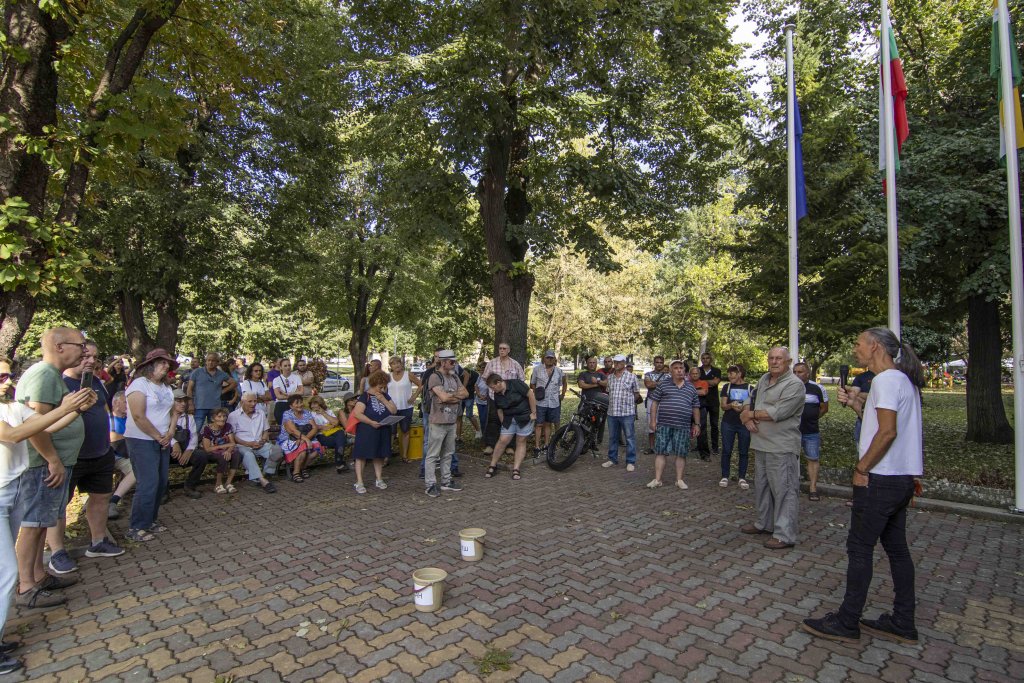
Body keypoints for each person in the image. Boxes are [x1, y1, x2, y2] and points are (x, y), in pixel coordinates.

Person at [803, 328, 925, 645]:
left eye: (858, 343)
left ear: (874, 347)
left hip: (879, 479)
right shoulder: (903, 381)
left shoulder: (884, 381)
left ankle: (847, 620)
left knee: (859, 549)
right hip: (901, 479)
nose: (855, 349)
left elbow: (887, 433)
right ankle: (903, 621)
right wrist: (858, 406)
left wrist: (861, 468)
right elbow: (882, 425)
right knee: (898, 551)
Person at [0, 357, 93, 674]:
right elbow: (13, 436)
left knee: (4, 570)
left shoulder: (11, 407)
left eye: (7, 374)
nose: (5, 381)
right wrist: (64, 406)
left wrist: (73, 408)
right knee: (7, 571)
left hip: (10, 491)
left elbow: (46, 425)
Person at [14, 327, 93, 609]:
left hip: (50, 463)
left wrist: (77, 409)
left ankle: (37, 575)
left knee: (42, 522)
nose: (85, 352)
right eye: (81, 345)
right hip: (42, 466)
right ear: (60, 346)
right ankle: (26, 586)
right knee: (34, 525)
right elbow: (34, 426)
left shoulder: (51, 376)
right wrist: (53, 459)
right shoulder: (44, 375)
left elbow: (48, 421)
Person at [48, 341, 124, 576]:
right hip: (71, 456)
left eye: (95, 357)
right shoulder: (59, 383)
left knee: (101, 497)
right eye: (85, 356)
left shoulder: (97, 382)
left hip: (100, 452)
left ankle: (98, 541)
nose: (91, 361)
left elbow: (103, 411)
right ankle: (57, 552)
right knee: (59, 505)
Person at [739, 347, 805, 550]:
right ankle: (764, 524)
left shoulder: (795, 385)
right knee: (762, 487)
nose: (774, 361)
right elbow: (749, 402)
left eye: (779, 359)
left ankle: (784, 534)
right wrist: (746, 417)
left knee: (784, 490)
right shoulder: (763, 379)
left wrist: (751, 415)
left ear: (788, 361)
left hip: (781, 446)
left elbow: (779, 412)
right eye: (771, 358)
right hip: (760, 443)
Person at [124, 348, 178, 543]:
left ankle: (150, 520)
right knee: (148, 482)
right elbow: (138, 415)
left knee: (161, 481)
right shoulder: (139, 384)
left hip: (162, 439)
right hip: (142, 439)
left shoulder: (166, 388)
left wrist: (170, 433)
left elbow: (173, 412)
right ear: (150, 365)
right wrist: (157, 436)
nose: (166, 367)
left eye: (168, 364)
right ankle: (136, 525)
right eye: (162, 363)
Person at [646, 360, 701, 490]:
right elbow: (654, 403)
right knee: (660, 452)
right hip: (664, 424)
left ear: (684, 370)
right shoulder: (663, 385)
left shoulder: (691, 387)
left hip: (683, 426)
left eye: (681, 368)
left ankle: (679, 480)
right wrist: (653, 421)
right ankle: (657, 479)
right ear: (671, 371)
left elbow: (696, 407)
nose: (679, 370)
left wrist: (697, 424)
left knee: (681, 453)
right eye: (676, 368)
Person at [424, 351, 467, 497]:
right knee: (433, 454)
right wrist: (454, 396)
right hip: (438, 421)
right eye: (452, 362)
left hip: (451, 421)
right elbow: (443, 397)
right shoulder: (434, 377)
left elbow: (465, 394)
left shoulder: (455, 377)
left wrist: (451, 397)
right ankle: (430, 484)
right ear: (443, 362)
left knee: (448, 453)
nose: (454, 364)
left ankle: (446, 481)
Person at [351, 370, 398, 494]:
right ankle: (359, 482)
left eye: (384, 386)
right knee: (361, 456)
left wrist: (383, 399)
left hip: (383, 429)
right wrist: (371, 422)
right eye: (380, 386)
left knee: (379, 454)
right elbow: (357, 413)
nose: (382, 389)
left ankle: (379, 478)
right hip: (367, 430)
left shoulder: (385, 395)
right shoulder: (364, 396)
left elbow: (393, 411)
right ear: (373, 383)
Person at [483, 373, 535, 481]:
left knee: (521, 441)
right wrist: (503, 422)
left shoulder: (516, 384)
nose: (492, 390)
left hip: (524, 417)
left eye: (493, 387)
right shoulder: (497, 393)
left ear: (498, 382)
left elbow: (530, 394)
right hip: (509, 419)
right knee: (502, 440)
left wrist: (534, 413)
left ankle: (516, 469)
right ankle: (493, 465)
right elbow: (499, 409)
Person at [229, 393, 280, 491]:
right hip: (242, 445)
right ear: (242, 402)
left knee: (277, 450)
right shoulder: (233, 416)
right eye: (250, 401)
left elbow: (266, 431)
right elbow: (233, 436)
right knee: (248, 454)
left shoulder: (260, 413)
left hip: (259, 444)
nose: (253, 404)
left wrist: (263, 441)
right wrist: (248, 444)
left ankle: (265, 473)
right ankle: (263, 481)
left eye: (255, 401)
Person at [794, 362, 829, 501]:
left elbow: (824, 408)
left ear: (807, 373)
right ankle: (790, 487)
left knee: (813, 458)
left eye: (800, 372)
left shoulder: (817, 388)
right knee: (789, 459)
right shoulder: (789, 387)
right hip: (792, 432)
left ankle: (813, 488)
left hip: (811, 431)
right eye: (795, 372)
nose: (797, 374)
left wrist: (813, 417)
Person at [481, 343, 525, 455]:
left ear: (509, 350)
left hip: (510, 399)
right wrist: (492, 389)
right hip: (494, 397)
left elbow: (521, 380)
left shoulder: (515, 364)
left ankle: (510, 446)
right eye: (500, 348)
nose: (502, 350)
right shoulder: (491, 363)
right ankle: (490, 445)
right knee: (493, 420)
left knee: (511, 420)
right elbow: (485, 378)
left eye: (504, 348)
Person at [602, 355, 642, 471]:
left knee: (629, 437)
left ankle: (630, 461)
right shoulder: (610, 378)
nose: (616, 364)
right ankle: (612, 459)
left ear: (624, 363)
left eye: (619, 362)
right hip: (612, 412)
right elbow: (609, 392)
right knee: (613, 437)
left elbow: (636, 393)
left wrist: (629, 404)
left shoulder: (632, 377)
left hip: (627, 413)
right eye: (615, 362)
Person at [167, 390, 209, 499]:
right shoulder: (164, 416)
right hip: (169, 452)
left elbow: (194, 436)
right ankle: (163, 491)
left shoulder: (189, 418)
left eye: (184, 401)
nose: (183, 404)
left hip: (185, 451)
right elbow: (162, 433)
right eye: (179, 401)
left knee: (201, 456)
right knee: (159, 459)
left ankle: (190, 486)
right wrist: (174, 443)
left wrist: (189, 450)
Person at [719, 364, 752, 489]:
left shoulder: (750, 388)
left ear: (740, 374)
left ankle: (742, 478)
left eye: (732, 373)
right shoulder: (727, 387)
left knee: (743, 451)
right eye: (728, 373)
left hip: (744, 424)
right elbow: (723, 406)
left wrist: (744, 408)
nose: (729, 375)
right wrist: (731, 405)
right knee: (727, 450)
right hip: (728, 423)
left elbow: (753, 406)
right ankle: (724, 476)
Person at [277, 394, 323, 483]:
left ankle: (303, 467)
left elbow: (314, 428)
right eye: (296, 403)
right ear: (291, 406)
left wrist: (306, 439)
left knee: (317, 448)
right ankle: (296, 473)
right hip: (289, 439)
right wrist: (305, 440)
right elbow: (293, 431)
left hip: (305, 437)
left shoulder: (307, 413)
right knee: (303, 447)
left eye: (301, 402)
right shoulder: (287, 414)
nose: (300, 405)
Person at [530, 350, 566, 457]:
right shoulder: (537, 369)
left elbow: (564, 383)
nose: (549, 359)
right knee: (539, 424)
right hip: (541, 402)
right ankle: (537, 447)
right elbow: (532, 384)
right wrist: (537, 392)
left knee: (548, 423)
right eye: (547, 357)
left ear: (554, 359)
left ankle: (546, 445)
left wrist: (563, 394)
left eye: (551, 358)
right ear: (544, 358)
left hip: (554, 402)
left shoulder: (559, 371)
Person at [187, 353, 236, 429]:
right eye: (208, 360)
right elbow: (189, 388)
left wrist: (223, 391)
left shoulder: (221, 374)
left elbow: (234, 383)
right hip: (199, 406)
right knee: (195, 429)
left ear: (217, 362)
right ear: (205, 361)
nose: (210, 362)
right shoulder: (197, 372)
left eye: (213, 361)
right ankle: (194, 441)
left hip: (215, 407)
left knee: (214, 430)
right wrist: (190, 404)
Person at [107, 391, 135, 519]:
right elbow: (110, 437)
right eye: (125, 402)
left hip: (124, 456)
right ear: (116, 403)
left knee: (136, 470)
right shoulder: (107, 418)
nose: (128, 405)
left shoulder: (130, 419)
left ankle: (113, 500)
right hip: (108, 456)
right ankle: (94, 503)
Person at [387, 357, 421, 462]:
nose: (396, 365)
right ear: (391, 366)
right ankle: (387, 456)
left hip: (406, 408)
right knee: (390, 433)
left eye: (398, 363)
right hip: (392, 409)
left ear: (402, 364)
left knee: (405, 431)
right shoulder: (388, 377)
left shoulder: (408, 374)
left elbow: (421, 385)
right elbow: (383, 390)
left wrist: (414, 396)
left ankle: (405, 456)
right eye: (393, 364)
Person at [200, 408, 240, 493]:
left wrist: (228, 450)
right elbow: (207, 449)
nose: (222, 418)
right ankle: (218, 484)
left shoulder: (228, 426)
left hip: (223, 450)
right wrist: (226, 446)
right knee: (222, 456)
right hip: (210, 453)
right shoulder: (206, 429)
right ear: (212, 418)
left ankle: (228, 483)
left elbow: (232, 443)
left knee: (236, 453)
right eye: (219, 416)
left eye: (224, 416)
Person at [308, 395, 349, 473]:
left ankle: (339, 463)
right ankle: (339, 463)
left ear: (321, 404)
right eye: (312, 404)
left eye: (315, 403)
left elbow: (336, 422)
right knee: (339, 442)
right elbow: (312, 427)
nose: (313, 406)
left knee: (340, 435)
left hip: (334, 431)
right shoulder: (311, 414)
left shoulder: (328, 411)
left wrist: (323, 413)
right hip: (321, 435)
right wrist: (324, 427)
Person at [642, 356, 669, 454]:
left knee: (665, 424)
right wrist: (663, 383)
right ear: (654, 363)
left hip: (665, 401)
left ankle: (664, 447)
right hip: (651, 400)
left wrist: (655, 383)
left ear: (663, 363)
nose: (659, 364)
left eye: (661, 362)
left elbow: (671, 387)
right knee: (651, 424)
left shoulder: (669, 375)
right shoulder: (648, 374)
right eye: (657, 362)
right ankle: (652, 447)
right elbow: (648, 385)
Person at [577, 356, 608, 442]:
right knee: (583, 420)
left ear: (596, 364)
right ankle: (580, 439)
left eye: (593, 362)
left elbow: (606, 384)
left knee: (598, 422)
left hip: (598, 403)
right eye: (590, 362)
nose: (592, 364)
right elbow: (581, 385)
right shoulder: (583, 374)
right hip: (586, 401)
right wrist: (596, 385)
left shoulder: (600, 374)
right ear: (587, 364)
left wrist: (598, 381)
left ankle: (595, 441)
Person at [698, 352, 723, 456]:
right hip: (701, 401)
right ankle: (700, 446)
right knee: (700, 425)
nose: (705, 360)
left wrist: (701, 382)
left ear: (710, 359)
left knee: (714, 425)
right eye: (703, 358)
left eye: (707, 358)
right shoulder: (698, 370)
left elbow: (715, 383)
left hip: (713, 402)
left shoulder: (716, 370)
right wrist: (709, 382)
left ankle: (715, 447)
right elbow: (694, 382)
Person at [271, 359, 302, 426]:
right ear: (281, 367)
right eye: (285, 366)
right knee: (283, 425)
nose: (288, 367)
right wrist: (295, 393)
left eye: (289, 365)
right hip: (281, 404)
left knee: (296, 425)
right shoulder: (276, 380)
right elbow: (278, 396)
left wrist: (288, 394)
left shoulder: (297, 377)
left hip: (294, 404)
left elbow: (301, 392)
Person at [688, 367, 711, 460]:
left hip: (701, 409)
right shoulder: (686, 383)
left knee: (702, 432)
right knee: (684, 430)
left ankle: (704, 454)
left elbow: (703, 392)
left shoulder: (703, 383)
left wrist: (689, 391)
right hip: (687, 409)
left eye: (696, 373)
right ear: (689, 375)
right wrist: (697, 391)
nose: (694, 375)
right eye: (692, 373)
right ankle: (681, 452)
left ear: (699, 374)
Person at [457, 361, 482, 443]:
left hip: (469, 397)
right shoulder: (459, 375)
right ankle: (458, 437)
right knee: (459, 416)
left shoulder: (475, 375)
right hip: (460, 397)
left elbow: (477, 386)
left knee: (469, 415)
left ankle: (478, 431)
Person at [851, 369, 875, 444]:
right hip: (862, 421)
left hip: (885, 422)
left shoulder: (892, 376)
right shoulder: (861, 377)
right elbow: (852, 396)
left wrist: (864, 395)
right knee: (862, 450)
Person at [473, 360, 489, 437]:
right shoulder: (479, 376)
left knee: (485, 419)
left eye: (484, 368)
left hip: (487, 402)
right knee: (481, 419)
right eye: (481, 368)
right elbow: (476, 386)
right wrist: (479, 395)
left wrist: (486, 396)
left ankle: (487, 434)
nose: (482, 370)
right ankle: (483, 434)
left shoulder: (490, 377)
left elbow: (492, 388)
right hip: (479, 401)